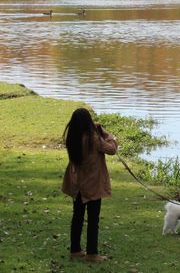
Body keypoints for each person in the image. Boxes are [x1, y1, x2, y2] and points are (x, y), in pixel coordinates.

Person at [61, 108, 118, 263]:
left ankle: (75, 250)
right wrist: (107, 134)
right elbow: (112, 149)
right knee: (93, 219)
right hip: (92, 184)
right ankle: (92, 254)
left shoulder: (72, 138)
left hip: (77, 183)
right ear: (87, 122)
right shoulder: (93, 139)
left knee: (77, 216)